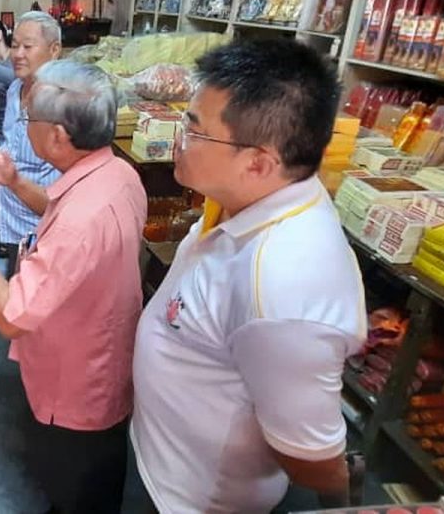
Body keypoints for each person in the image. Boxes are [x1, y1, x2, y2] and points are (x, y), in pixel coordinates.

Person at [131, 39, 366, 513]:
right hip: (161, 464)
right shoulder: (243, 199)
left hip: (192, 501)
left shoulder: (286, 285)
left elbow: (312, 457)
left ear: (259, 161)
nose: (180, 139)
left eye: (194, 131)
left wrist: (341, 502)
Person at [0, 60, 146, 514]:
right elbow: (62, 217)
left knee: (78, 490)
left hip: (77, 383)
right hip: (104, 361)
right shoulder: (116, 174)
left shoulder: (84, 216)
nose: (23, 124)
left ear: (57, 135)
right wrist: (14, 181)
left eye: (28, 117)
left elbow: (11, 316)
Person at [0, 11, 64, 277]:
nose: (18, 54)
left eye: (28, 46)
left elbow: (62, 197)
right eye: (14, 46)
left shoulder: (61, 106)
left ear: (54, 50)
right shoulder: (15, 90)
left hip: (44, 232)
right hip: (13, 227)